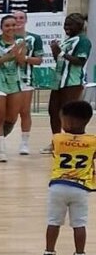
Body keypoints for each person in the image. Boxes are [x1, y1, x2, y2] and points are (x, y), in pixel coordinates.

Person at [39, 100, 95, 255]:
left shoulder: (57, 139)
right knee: (79, 223)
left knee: (53, 222)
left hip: (58, 186)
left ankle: (49, 253)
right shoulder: (93, 141)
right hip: (81, 188)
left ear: (69, 122)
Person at [43, 13, 91, 155]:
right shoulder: (68, 40)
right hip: (58, 81)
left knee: (69, 114)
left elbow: (80, 60)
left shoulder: (83, 41)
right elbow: (60, 58)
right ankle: (56, 142)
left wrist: (61, 53)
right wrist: (55, 51)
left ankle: (74, 143)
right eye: (65, 24)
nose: (66, 27)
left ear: (80, 26)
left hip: (72, 82)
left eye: (70, 24)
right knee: (53, 111)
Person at [0, 14, 24, 163]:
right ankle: (1, 152)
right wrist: (8, 56)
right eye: (7, 25)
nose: (11, 28)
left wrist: (20, 55)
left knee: (12, 118)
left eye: (13, 25)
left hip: (14, 81)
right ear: (2, 27)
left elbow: (21, 63)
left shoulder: (21, 41)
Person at [12, 10, 45, 155]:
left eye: (21, 18)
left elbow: (38, 60)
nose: (18, 20)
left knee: (24, 111)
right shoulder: (4, 38)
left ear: (25, 20)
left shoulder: (34, 38)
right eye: (15, 18)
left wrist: (23, 58)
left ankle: (24, 143)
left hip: (26, 79)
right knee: (7, 113)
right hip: (8, 79)